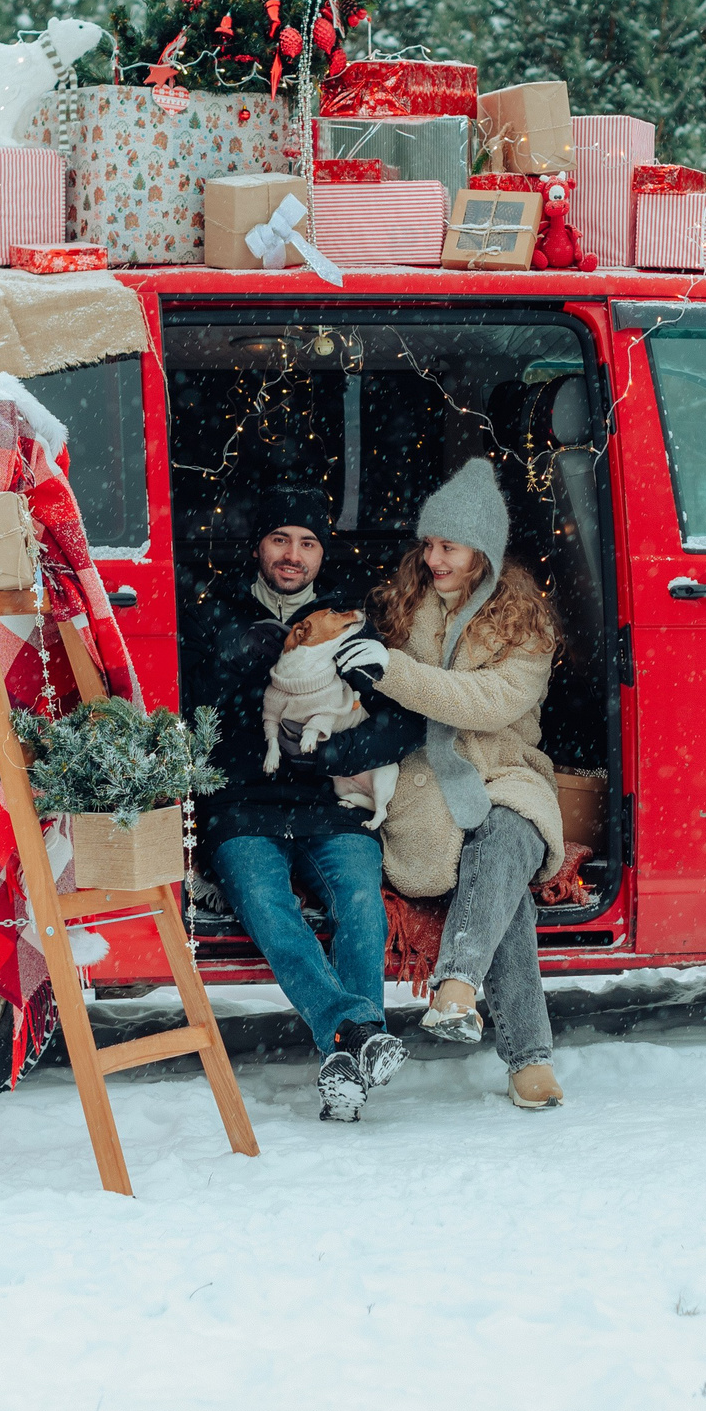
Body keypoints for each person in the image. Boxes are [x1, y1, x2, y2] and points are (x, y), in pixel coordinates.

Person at [334, 458, 570, 1111]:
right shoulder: (403, 605)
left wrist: (395, 671)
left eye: (450, 547)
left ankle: (461, 989)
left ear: (483, 553)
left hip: (508, 768)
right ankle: (525, 1052)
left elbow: (486, 701)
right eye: (430, 544)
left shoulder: (526, 624)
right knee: (502, 883)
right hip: (425, 776)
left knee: (508, 830)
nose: (433, 558)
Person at [185, 490, 422, 1123]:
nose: (293, 555)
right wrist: (233, 669)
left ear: (321, 554)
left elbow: (402, 721)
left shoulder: (349, 622)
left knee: (361, 902)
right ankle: (357, 1032)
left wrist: (338, 753)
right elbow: (187, 712)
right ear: (259, 547)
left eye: (308, 543)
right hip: (241, 805)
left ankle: (348, 1051)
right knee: (267, 906)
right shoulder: (214, 612)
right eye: (280, 539)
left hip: (331, 800)